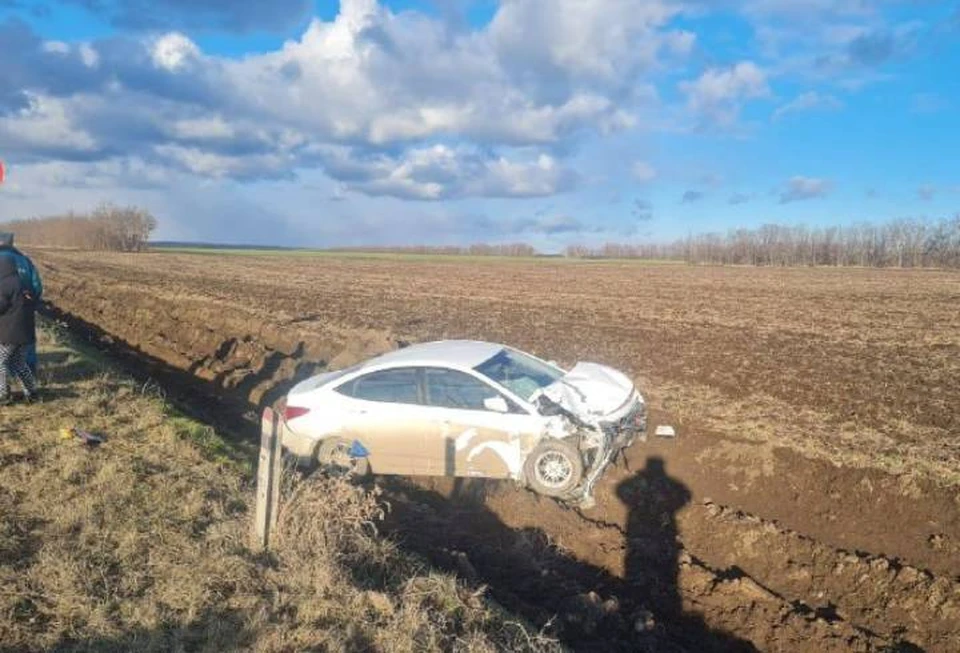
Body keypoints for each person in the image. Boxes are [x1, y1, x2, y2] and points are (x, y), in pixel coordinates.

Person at [0, 232, 42, 374]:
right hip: (25, 310)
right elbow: (37, 286)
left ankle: (4, 388)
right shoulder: (25, 260)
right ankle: (29, 373)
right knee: (25, 344)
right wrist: (31, 302)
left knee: (4, 349)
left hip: (3, 310)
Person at [0, 255, 37, 403]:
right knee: (19, 363)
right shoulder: (22, 284)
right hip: (26, 333)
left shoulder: (4, 285)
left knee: (0, 362)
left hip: (11, 334)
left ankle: (2, 395)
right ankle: (32, 393)